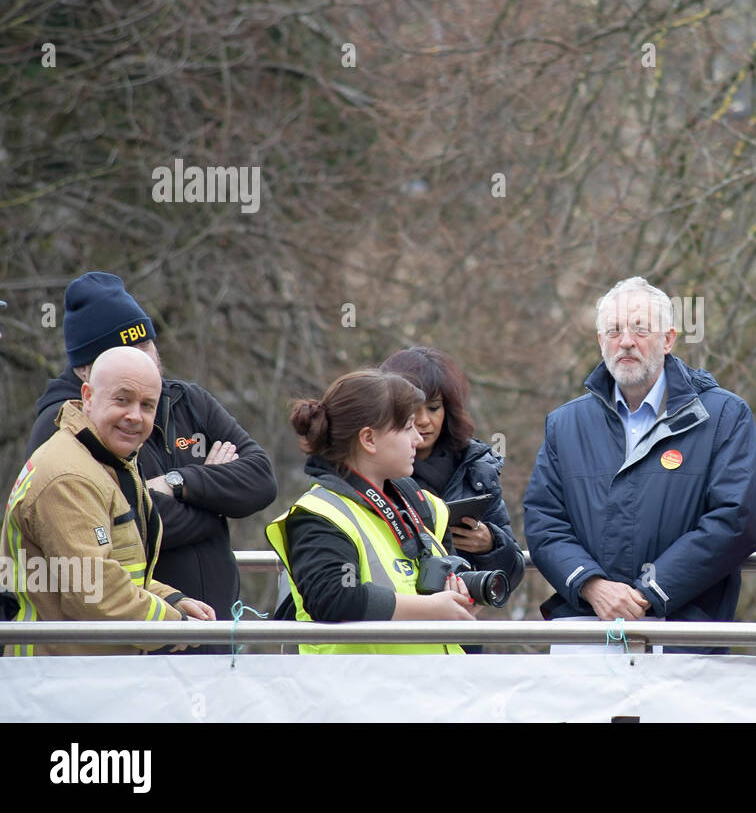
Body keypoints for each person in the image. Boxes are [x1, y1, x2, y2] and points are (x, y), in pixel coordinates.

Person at [522, 277, 756, 650]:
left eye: (640, 329)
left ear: (668, 339)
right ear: (600, 341)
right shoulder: (565, 424)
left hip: (686, 634)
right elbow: (544, 521)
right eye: (614, 330)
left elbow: (735, 520)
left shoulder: (723, 416)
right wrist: (592, 585)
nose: (626, 341)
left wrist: (650, 591)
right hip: (585, 633)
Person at [26, 272, 277, 629]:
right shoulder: (65, 425)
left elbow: (261, 480)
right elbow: (130, 526)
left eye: (147, 344)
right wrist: (218, 510)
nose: (144, 359)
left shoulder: (187, 399)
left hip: (209, 629)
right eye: (126, 353)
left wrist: (178, 483)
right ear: (87, 376)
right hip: (134, 641)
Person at [4, 347, 216, 656]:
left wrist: (170, 599)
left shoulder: (102, 460)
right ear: (87, 396)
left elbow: (116, 574)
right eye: (122, 399)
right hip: (56, 679)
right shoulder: (69, 476)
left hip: (83, 674)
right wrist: (174, 624)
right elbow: (95, 594)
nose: (134, 416)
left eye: (147, 405)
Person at [265, 370, 476, 655]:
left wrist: (457, 595)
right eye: (408, 427)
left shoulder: (423, 506)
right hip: (358, 692)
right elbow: (332, 598)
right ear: (369, 439)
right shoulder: (319, 513)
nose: (418, 438)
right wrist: (430, 608)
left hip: (433, 687)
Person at [379, 347, 524, 597]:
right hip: (393, 620)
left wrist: (491, 545)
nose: (424, 420)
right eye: (413, 409)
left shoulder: (477, 468)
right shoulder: (373, 470)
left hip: (460, 623)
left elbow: (511, 574)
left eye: (433, 408)